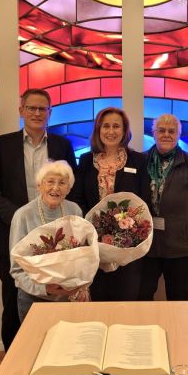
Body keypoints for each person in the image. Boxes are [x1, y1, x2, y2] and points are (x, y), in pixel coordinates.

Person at [0, 88, 76, 350]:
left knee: (55, 300)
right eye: (31, 108)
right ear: (21, 110)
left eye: (42, 109)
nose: (37, 113)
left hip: (57, 243)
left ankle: (54, 355)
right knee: (13, 303)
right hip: (14, 238)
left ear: (50, 113)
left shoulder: (63, 145)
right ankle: (14, 361)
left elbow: (72, 188)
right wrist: (21, 218)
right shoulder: (2, 145)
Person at [70, 107, 150, 301]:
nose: (111, 131)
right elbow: (77, 198)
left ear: (124, 130)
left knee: (127, 298)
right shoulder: (86, 160)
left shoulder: (138, 160)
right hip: (94, 243)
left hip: (128, 244)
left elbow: (144, 198)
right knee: (99, 298)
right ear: (98, 130)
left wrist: (128, 227)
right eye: (106, 126)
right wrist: (93, 225)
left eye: (116, 126)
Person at [138, 113, 188, 301]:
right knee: (142, 295)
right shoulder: (140, 161)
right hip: (147, 245)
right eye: (161, 130)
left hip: (182, 246)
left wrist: (187, 215)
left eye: (172, 131)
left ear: (178, 135)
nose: (166, 135)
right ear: (154, 133)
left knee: (179, 298)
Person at [10, 160, 87, 321]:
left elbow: (83, 256)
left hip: (69, 297)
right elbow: (16, 269)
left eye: (62, 183)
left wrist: (82, 286)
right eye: (50, 181)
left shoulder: (75, 211)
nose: (56, 188)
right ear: (39, 186)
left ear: (69, 188)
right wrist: (45, 288)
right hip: (34, 298)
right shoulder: (23, 215)